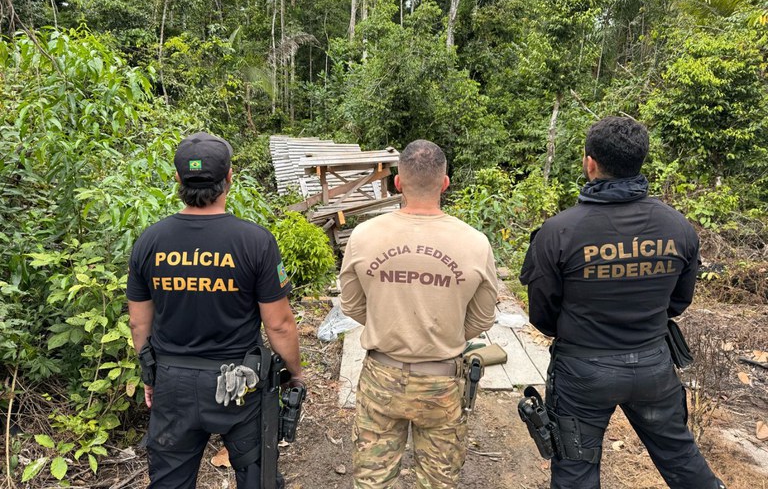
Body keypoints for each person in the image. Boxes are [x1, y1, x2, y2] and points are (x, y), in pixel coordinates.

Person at [520, 116, 726, 489]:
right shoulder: (677, 227)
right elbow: (679, 302)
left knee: (575, 471)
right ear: (639, 162)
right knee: (682, 459)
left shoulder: (558, 232)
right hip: (653, 365)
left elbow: (542, 312)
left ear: (590, 162)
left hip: (583, 372)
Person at [127, 131, 303, 489]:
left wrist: (151, 376)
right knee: (258, 477)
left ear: (178, 180)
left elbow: (137, 322)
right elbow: (280, 324)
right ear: (230, 178)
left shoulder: (150, 240)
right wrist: (295, 375)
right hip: (241, 383)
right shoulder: (255, 241)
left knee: (169, 482)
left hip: (173, 382)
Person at [340, 139, 498, 489]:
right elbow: (483, 317)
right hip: (442, 383)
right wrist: (447, 330)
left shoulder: (364, 235)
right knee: (438, 482)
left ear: (397, 183)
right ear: (445, 183)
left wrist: (388, 322)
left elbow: (350, 304)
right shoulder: (475, 242)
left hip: (381, 377)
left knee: (372, 481)